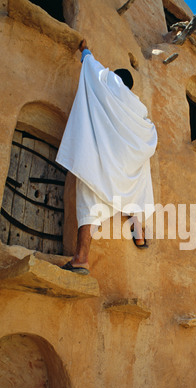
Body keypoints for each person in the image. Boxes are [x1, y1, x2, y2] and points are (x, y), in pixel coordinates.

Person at [56, 40, 158, 274]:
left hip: (104, 161)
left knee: (90, 198)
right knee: (139, 180)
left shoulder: (109, 83)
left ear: (117, 79)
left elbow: (93, 69)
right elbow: (150, 134)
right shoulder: (138, 107)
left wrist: (85, 50)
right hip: (126, 166)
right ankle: (139, 234)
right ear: (131, 88)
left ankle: (81, 259)